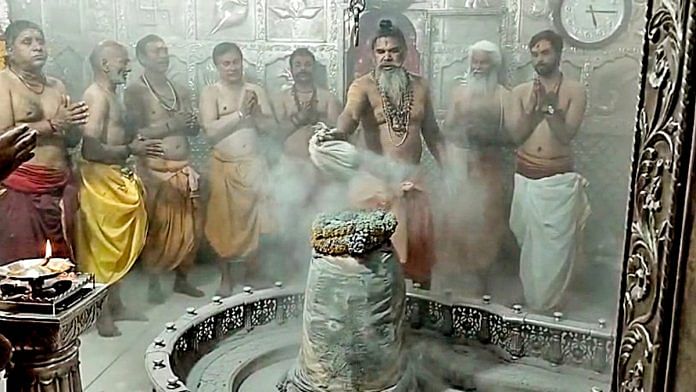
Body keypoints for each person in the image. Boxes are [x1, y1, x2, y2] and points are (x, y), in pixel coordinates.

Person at [321, 19, 447, 289]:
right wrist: (337, 133)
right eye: (381, 51)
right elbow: (349, 116)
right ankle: (377, 312)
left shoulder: (421, 87)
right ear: (373, 55)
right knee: (378, 256)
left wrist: (452, 170)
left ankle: (420, 312)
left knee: (419, 250)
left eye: (394, 50)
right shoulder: (362, 86)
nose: (387, 56)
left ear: (405, 53)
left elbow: (433, 133)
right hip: (377, 183)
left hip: (413, 180)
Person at [76, 40, 164, 336]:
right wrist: (130, 149)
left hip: (114, 176)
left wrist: (129, 148)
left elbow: (115, 140)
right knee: (101, 252)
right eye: (122, 61)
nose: (128, 67)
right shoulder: (96, 97)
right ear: (104, 64)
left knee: (115, 250)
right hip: (99, 182)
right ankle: (101, 315)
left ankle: (117, 305)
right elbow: (90, 148)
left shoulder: (112, 95)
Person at [508, 30, 590, 312]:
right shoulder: (520, 92)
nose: (539, 59)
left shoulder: (575, 91)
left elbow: (567, 135)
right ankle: (532, 297)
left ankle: (550, 302)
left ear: (558, 54)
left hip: (557, 182)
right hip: (525, 178)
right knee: (528, 245)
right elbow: (516, 136)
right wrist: (533, 109)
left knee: (555, 250)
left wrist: (551, 108)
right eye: (534, 53)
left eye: (545, 53)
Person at [0, 20, 88, 264]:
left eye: (40, 41)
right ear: (9, 49)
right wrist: (53, 124)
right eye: (27, 42)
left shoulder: (56, 85)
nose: (37, 47)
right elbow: (4, 137)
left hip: (61, 185)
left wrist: (75, 124)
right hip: (23, 186)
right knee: (26, 264)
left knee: (64, 263)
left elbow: (68, 140)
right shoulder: (3, 83)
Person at [125, 34, 204, 304]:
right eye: (156, 51)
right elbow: (134, 134)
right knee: (158, 228)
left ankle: (183, 279)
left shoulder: (179, 89)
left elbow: (191, 130)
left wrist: (191, 124)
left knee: (191, 228)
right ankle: (154, 283)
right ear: (142, 58)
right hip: (156, 169)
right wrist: (173, 124)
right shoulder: (135, 91)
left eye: (165, 49)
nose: (163, 54)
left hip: (183, 166)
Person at [199, 42, 276, 296]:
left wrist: (255, 113)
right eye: (226, 63)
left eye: (236, 61)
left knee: (259, 223)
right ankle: (226, 278)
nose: (232, 67)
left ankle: (253, 274)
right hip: (224, 165)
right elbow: (210, 132)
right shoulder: (211, 93)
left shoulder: (255, 91)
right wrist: (241, 114)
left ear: (243, 62)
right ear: (217, 66)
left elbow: (270, 128)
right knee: (223, 224)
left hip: (254, 164)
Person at [440, 40, 514, 296]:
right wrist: (459, 137)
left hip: (489, 164)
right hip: (460, 160)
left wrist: (486, 135)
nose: (479, 66)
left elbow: (511, 134)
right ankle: (457, 276)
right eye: (475, 61)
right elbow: (448, 126)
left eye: (484, 62)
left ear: (494, 65)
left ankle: (483, 278)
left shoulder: (503, 95)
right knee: (457, 217)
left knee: (488, 220)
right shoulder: (459, 92)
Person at [271, 47, 341, 277]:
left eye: (307, 65)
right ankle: (291, 271)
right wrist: (300, 119)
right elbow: (275, 134)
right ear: (291, 69)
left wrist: (318, 120)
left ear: (314, 68)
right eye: (298, 65)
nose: (303, 69)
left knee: (318, 217)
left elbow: (339, 133)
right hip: (290, 167)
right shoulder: (281, 98)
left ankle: (318, 267)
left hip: (319, 168)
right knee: (289, 219)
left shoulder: (327, 97)